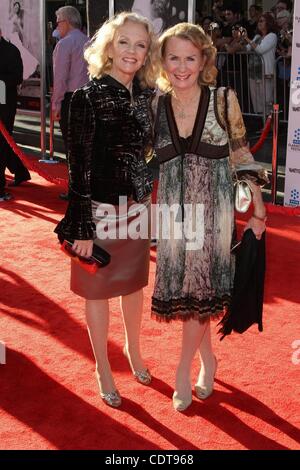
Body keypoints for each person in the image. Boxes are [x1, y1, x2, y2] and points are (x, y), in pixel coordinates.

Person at [151, 22, 269, 411]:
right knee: (188, 298)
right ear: (163, 61)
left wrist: (258, 207)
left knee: (200, 289)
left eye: (190, 57)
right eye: (174, 58)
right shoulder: (156, 105)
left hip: (212, 212)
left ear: (204, 60)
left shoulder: (223, 99)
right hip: (169, 210)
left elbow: (240, 152)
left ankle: (183, 370)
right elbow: (146, 160)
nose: (181, 66)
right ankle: (208, 361)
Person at [54, 12, 157, 408]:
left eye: (141, 44)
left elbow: (148, 153)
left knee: (133, 285)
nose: (132, 51)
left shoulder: (146, 98)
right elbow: (77, 168)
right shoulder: (86, 98)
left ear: (148, 53)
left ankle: (133, 350)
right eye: (124, 42)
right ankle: (102, 366)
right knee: (96, 291)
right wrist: (81, 226)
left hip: (136, 209)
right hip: (96, 213)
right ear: (108, 46)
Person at [52, 6, 88, 199]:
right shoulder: (89, 42)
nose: (57, 25)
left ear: (66, 21)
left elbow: (60, 78)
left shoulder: (65, 44)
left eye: (58, 21)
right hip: (89, 99)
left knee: (72, 147)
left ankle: (76, 190)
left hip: (71, 100)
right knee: (86, 147)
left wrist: (56, 104)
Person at [0, 26, 30, 201]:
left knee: (3, 143)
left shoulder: (11, 51)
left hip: (4, 105)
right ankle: (20, 170)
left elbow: (17, 77)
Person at [243, 12, 278, 117]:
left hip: (266, 72)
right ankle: (263, 125)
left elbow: (260, 50)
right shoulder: (257, 36)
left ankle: (271, 126)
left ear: (269, 23)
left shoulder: (272, 36)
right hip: (254, 73)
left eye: (262, 21)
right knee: (257, 101)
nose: (259, 23)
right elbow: (247, 49)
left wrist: (246, 38)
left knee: (267, 100)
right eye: (259, 21)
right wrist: (240, 39)